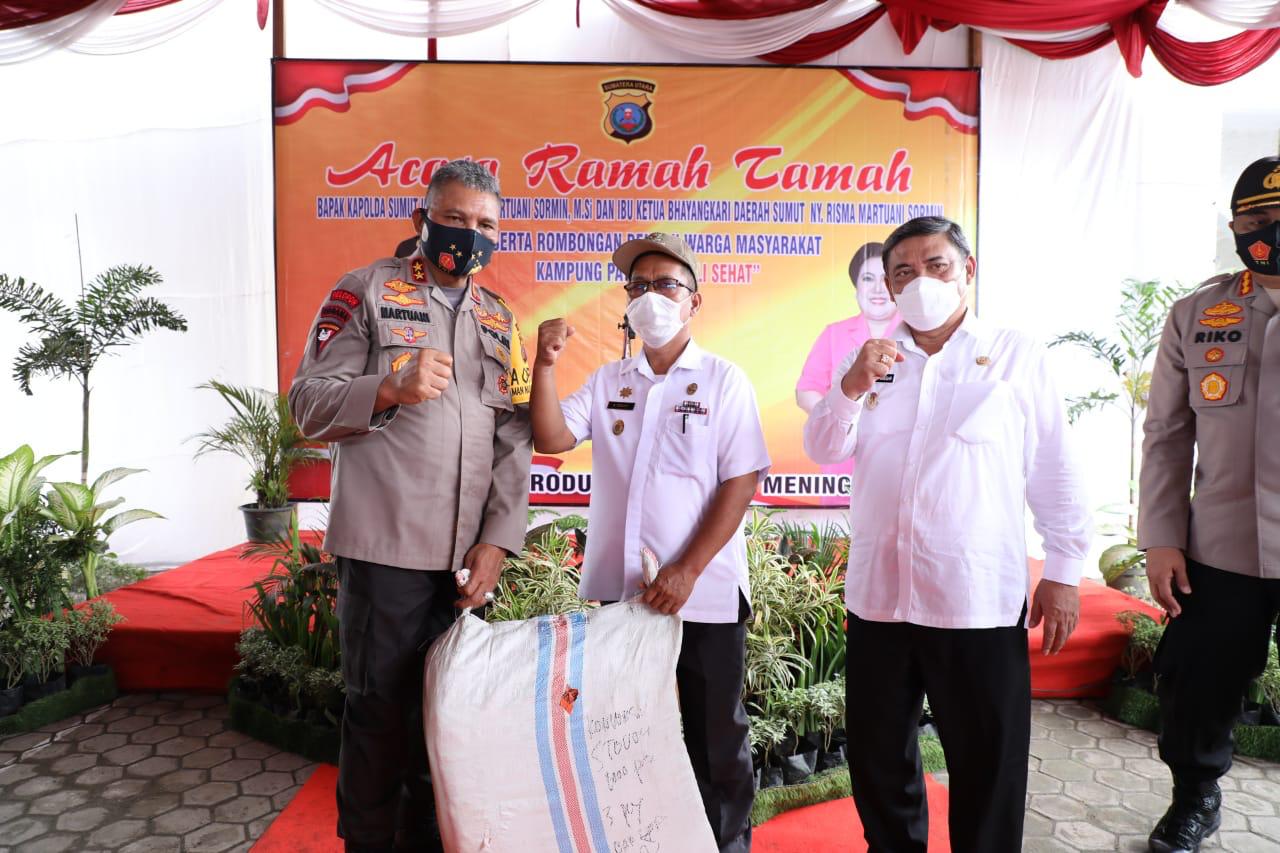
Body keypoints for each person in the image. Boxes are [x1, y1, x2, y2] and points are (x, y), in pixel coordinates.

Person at [803, 216, 1091, 853]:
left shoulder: (1015, 355)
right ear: (888, 287)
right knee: (878, 758)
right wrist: (850, 386)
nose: (919, 282)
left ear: (967, 271)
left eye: (936, 266)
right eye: (902, 272)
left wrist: (1065, 570)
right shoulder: (872, 361)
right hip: (881, 600)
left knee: (987, 763)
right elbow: (823, 447)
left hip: (973, 601)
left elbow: (1054, 466)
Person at [288, 159, 532, 853]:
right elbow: (307, 404)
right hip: (385, 551)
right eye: (454, 218)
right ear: (422, 220)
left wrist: (498, 540)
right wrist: (388, 388)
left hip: (464, 564)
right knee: (379, 717)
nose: (469, 234)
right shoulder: (365, 291)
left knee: (450, 720)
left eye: (485, 224)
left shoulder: (498, 318)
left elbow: (513, 438)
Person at [529, 232, 770, 853]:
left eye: (666, 284)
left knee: (716, 738)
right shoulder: (610, 380)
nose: (650, 297)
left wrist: (686, 569)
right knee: (626, 733)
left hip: (704, 594)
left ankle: (725, 845)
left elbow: (741, 480)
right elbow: (552, 438)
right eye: (638, 286)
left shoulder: (722, 380)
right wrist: (545, 365)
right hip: (625, 594)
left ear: (694, 301)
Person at [1138, 155, 1280, 853]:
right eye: (1258, 220)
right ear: (1235, 229)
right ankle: (1195, 796)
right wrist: (1162, 537)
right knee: (1196, 681)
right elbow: (1167, 434)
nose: (1271, 231)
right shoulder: (1197, 314)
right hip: (1221, 545)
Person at [795, 243, 901, 504]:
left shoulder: (916, 334)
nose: (878, 289)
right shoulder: (834, 333)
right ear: (856, 287)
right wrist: (838, 421)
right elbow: (806, 390)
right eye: (868, 278)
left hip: (897, 463)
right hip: (841, 466)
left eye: (885, 279)